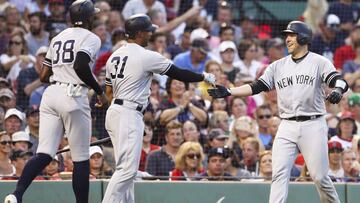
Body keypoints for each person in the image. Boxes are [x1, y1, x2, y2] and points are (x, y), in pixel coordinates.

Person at [208, 21, 346, 203]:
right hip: (287, 124)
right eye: (286, 35)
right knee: (279, 173)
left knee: (320, 177)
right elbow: (257, 86)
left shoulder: (319, 62)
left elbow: (340, 81)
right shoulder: (277, 66)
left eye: (291, 35)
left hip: (313, 123)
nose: (287, 39)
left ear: (303, 37)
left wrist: (337, 91)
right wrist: (230, 91)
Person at [102, 14, 215, 203]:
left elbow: (108, 91)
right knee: (127, 170)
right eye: (148, 31)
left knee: (126, 169)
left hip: (115, 111)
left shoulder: (115, 55)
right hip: (129, 113)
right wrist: (202, 76)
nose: (151, 35)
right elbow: (178, 73)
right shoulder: (146, 56)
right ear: (139, 33)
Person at [4, 1, 107, 203]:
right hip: (74, 95)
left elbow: (43, 75)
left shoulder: (58, 37)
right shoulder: (91, 37)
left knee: (44, 153)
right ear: (88, 18)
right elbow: (80, 65)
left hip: (50, 94)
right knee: (81, 159)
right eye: (92, 15)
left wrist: (60, 74)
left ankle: (16, 195)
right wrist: (99, 90)